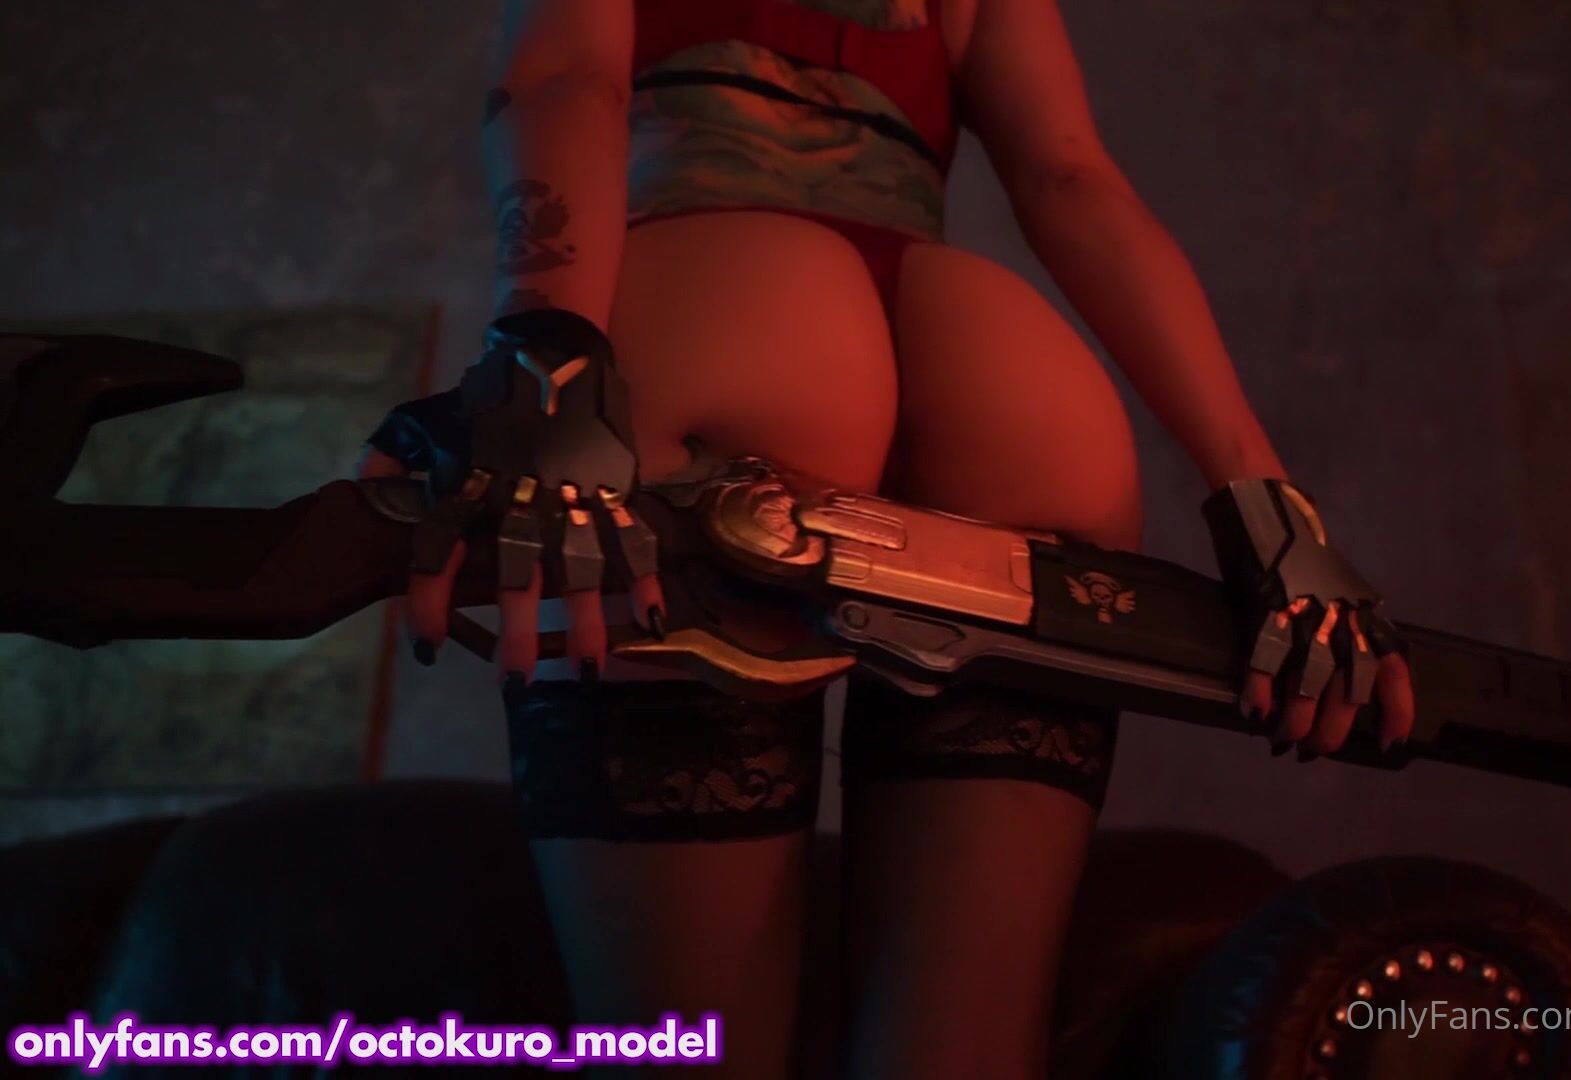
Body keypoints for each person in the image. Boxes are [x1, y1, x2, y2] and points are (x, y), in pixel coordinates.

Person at [360, 1, 1415, 1076]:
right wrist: (1272, 512)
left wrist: (543, 354)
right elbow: (1071, 179)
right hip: (994, 367)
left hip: (730, 306)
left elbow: (565, 80)